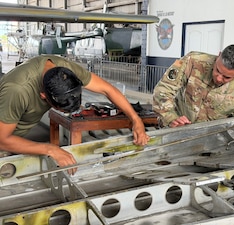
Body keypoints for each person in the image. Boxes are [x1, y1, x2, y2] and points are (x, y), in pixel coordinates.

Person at [0, 55, 150, 175]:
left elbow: (107, 89)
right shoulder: (17, 90)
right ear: (43, 96)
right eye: (64, 110)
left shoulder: (66, 71)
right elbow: (2, 140)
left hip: (13, 133)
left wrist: (136, 120)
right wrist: (51, 149)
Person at [153, 44, 234, 128]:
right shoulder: (192, 60)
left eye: (226, 77)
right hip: (176, 130)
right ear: (218, 56)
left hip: (211, 140)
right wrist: (171, 117)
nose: (218, 78)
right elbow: (163, 89)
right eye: (217, 70)